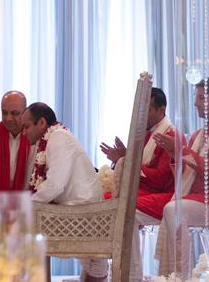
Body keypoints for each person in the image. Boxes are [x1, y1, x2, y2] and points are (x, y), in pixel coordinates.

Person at [100, 88, 181, 281]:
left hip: (166, 195)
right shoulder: (149, 133)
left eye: (148, 109)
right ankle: (107, 269)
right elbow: (141, 164)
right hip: (145, 191)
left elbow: (162, 178)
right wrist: (124, 157)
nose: (143, 114)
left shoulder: (169, 135)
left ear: (161, 109)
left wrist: (129, 161)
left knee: (126, 211)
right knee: (104, 201)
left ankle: (131, 275)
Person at [22, 102, 106, 282]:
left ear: (42, 123)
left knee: (23, 225)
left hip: (83, 209)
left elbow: (55, 185)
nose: (24, 132)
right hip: (80, 207)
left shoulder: (58, 138)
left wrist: (26, 206)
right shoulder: (52, 139)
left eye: (27, 126)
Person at [155, 79, 209, 279]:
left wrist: (181, 150)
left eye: (202, 97)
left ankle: (181, 275)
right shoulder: (197, 135)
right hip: (196, 199)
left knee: (173, 209)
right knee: (173, 209)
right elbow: (183, 174)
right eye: (196, 97)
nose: (195, 103)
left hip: (205, 200)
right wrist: (173, 154)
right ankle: (179, 274)